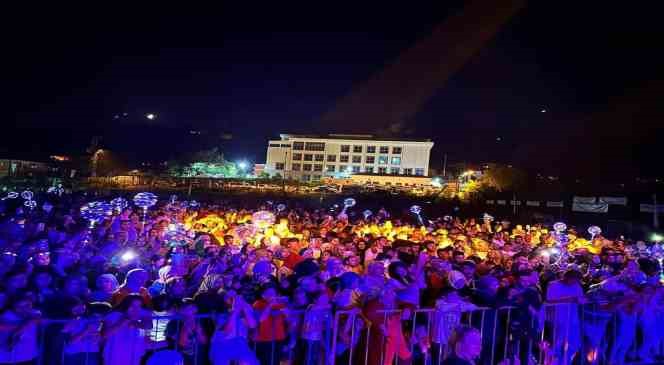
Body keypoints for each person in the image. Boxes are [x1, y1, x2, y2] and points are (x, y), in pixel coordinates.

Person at [102, 294, 153, 365]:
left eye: (139, 306)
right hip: (115, 353)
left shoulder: (141, 315)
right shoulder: (114, 315)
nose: (136, 309)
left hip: (133, 354)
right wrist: (125, 321)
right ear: (126, 305)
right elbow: (106, 334)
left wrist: (135, 322)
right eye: (132, 306)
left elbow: (148, 326)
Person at [210, 290, 258, 365]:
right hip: (221, 344)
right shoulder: (219, 311)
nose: (233, 299)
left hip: (239, 343)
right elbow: (226, 331)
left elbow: (252, 325)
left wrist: (245, 307)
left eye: (235, 296)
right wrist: (236, 310)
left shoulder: (243, 308)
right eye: (230, 297)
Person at [0, 292, 40, 365]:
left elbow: (39, 317)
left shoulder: (34, 314)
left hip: (29, 355)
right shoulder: (7, 316)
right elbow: (3, 327)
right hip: (10, 358)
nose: (24, 308)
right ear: (13, 306)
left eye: (28, 305)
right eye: (20, 306)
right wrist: (26, 324)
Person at [166, 298, 207, 365]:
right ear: (181, 310)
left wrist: (197, 327)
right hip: (181, 359)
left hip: (198, 358)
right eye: (186, 308)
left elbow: (204, 341)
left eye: (192, 308)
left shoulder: (199, 320)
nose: (190, 311)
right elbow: (182, 344)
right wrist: (187, 325)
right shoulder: (173, 323)